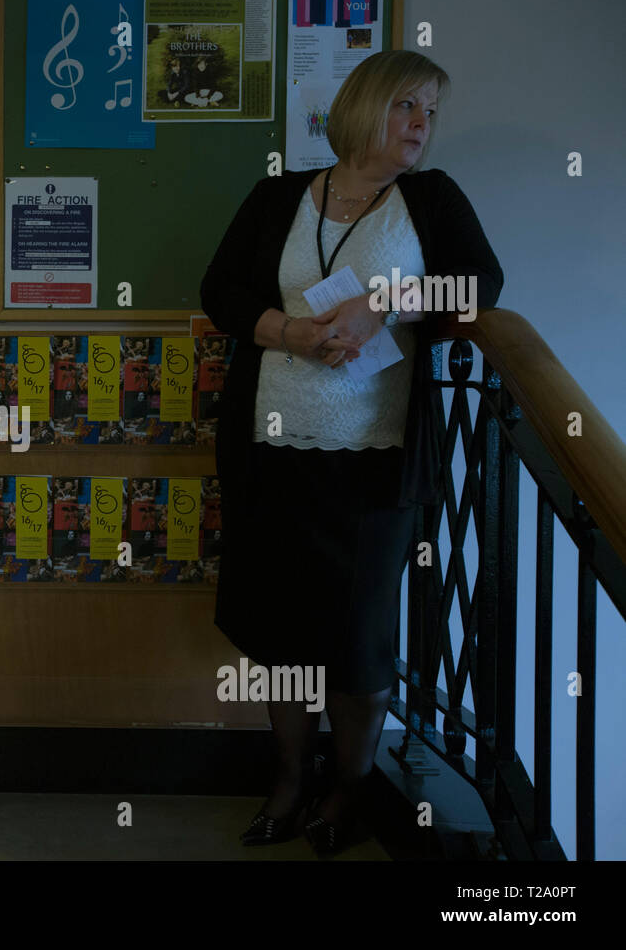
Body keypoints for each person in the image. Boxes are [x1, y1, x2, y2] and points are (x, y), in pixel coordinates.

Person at [200, 50, 503, 855]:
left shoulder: (431, 200)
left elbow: (478, 285)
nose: (420, 125)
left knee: (358, 638)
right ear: (364, 107)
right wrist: (287, 330)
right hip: (271, 448)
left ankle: (348, 789)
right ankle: (290, 779)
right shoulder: (277, 197)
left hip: (373, 457)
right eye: (407, 105)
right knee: (279, 634)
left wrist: (386, 302)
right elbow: (221, 292)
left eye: (430, 113)